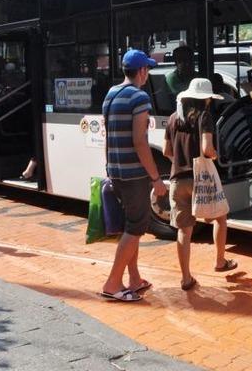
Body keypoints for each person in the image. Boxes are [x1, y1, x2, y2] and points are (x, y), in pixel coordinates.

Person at [99, 49, 169, 302]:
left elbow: (109, 136)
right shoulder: (139, 98)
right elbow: (140, 142)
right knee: (136, 228)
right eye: (147, 69)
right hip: (134, 175)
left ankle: (135, 279)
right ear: (141, 71)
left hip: (116, 172)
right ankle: (112, 283)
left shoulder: (111, 94)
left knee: (132, 226)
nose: (148, 74)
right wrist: (156, 179)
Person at [164, 78, 237, 291]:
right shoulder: (205, 116)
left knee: (184, 231)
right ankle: (220, 261)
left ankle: (186, 278)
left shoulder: (172, 119)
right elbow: (207, 148)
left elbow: (167, 152)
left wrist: (181, 162)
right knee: (220, 218)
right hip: (200, 180)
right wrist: (214, 156)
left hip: (177, 179)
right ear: (206, 99)